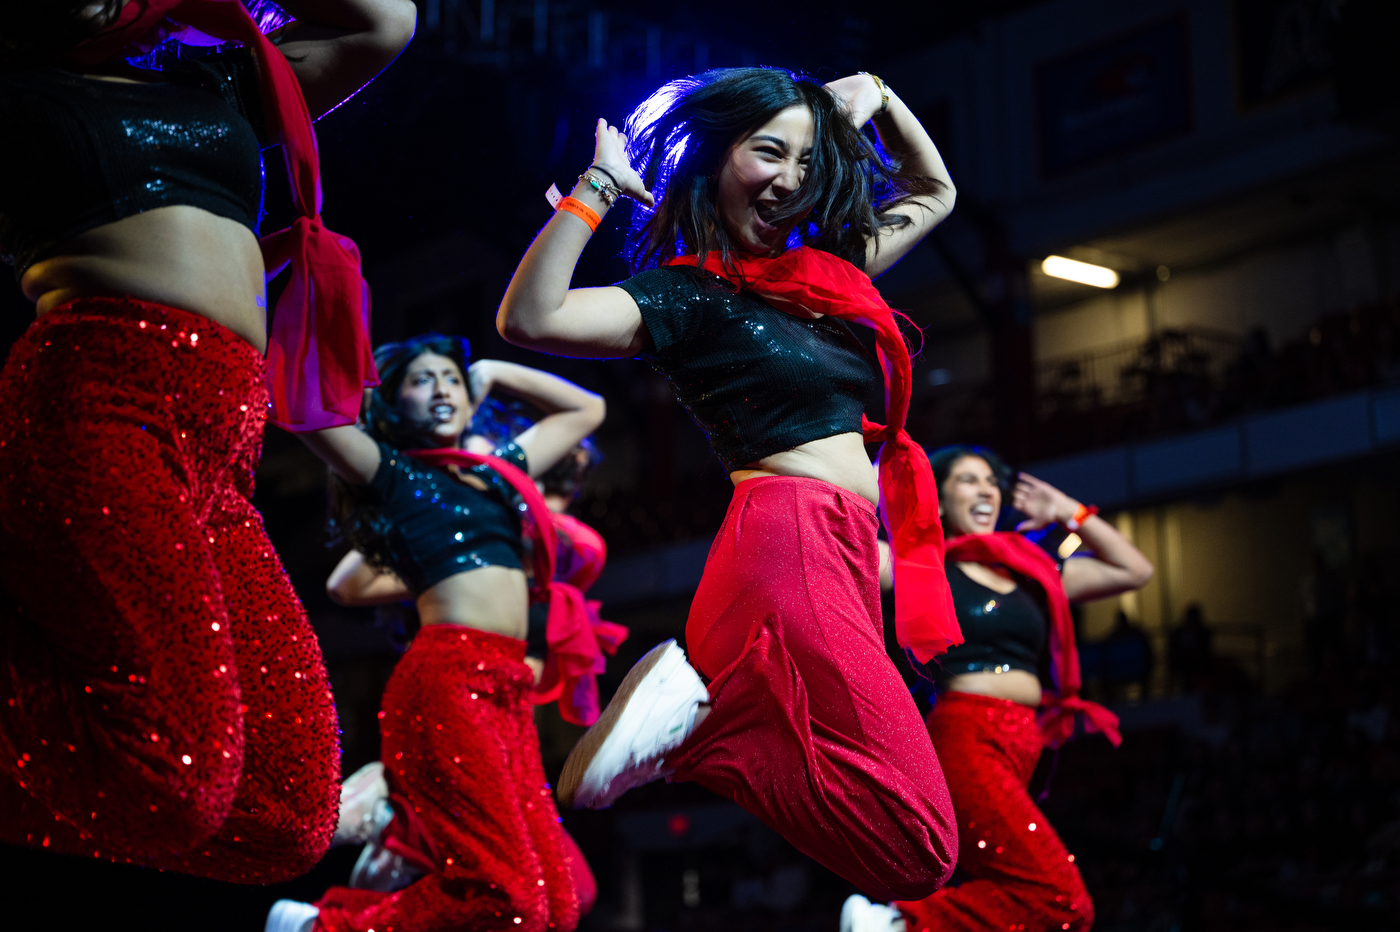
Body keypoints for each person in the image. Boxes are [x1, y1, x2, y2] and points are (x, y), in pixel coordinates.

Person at [497, 65, 963, 901]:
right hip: (787, 544)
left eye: (807, 159)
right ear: (716, 158)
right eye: (767, 151)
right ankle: (708, 725)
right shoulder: (687, 296)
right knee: (921, 849)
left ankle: (707, 718)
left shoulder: (834, 275)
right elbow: (531, 318)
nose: (788, 178)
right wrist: (598, 189)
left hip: (841, 555)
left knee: (912, 853)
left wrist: (883, 98)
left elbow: (935, 191)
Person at [0, 0, 414, 882]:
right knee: (172, 784)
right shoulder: (21, 99)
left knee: (287, 814)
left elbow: (384, 20)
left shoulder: (213, 80)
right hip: (99, 398)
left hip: (220, 450)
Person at [271, 334, 605, 932]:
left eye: (450, 378)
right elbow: (303, 412)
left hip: (506, 690)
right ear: (396, 403)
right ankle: (319, 928)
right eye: (423, 380)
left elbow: (586, 410)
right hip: (447, 681)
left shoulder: (500, 475)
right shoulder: (394, 475)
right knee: (510, 899)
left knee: (556, 903)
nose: (442, 388)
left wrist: (493, 371)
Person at [843, 446, 1154, 932]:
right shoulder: (923, 565)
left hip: (1021, 743)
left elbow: (1134, 570)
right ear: (939, 501)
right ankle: (895, 923)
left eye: (991, 480)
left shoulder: (1033, 572)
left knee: (1017, 890)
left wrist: (1068, 511)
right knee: (1063, 900)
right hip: (966, 736)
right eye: (968, 481)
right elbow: (840, 551)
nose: (986, 489)